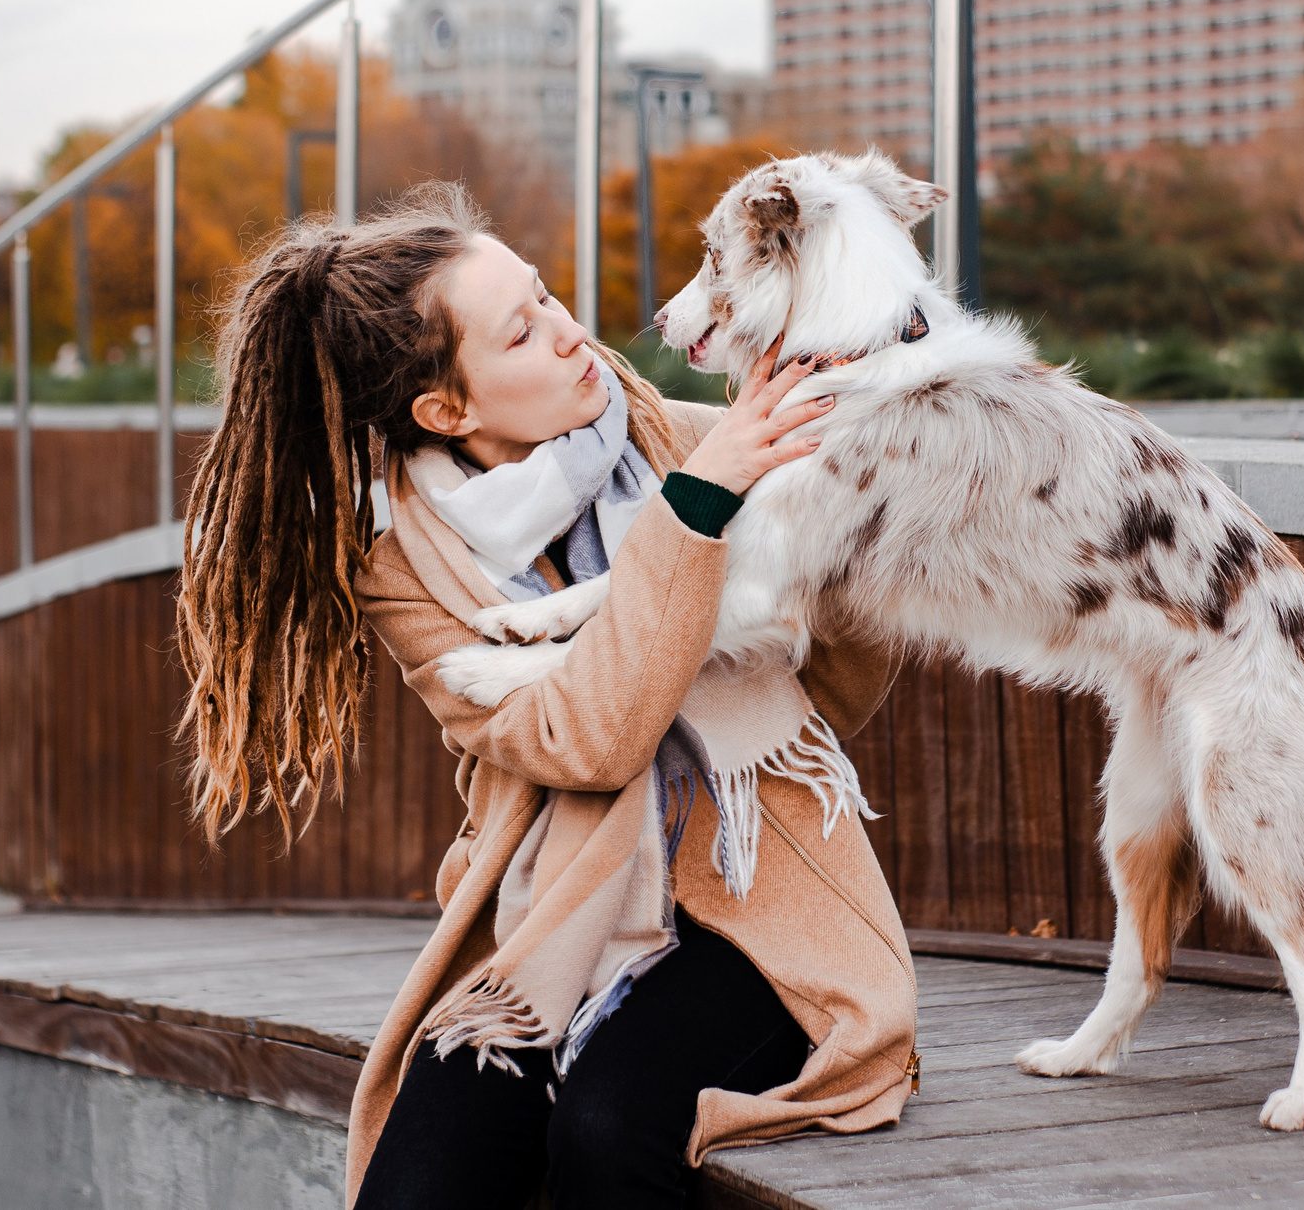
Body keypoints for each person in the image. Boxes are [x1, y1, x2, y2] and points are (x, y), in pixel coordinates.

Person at [176, 184, 915, 1209]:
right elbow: (587, 742)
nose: (572, 335)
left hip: (756, 909)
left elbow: (844, 677)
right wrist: (695, 513)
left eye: (547, 296)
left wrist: (834, 510)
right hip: (549, 918)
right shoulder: (405, 562)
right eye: (522, 331)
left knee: (610, 1130)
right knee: (415, 1189)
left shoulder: (696, 435)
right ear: (448, 409)